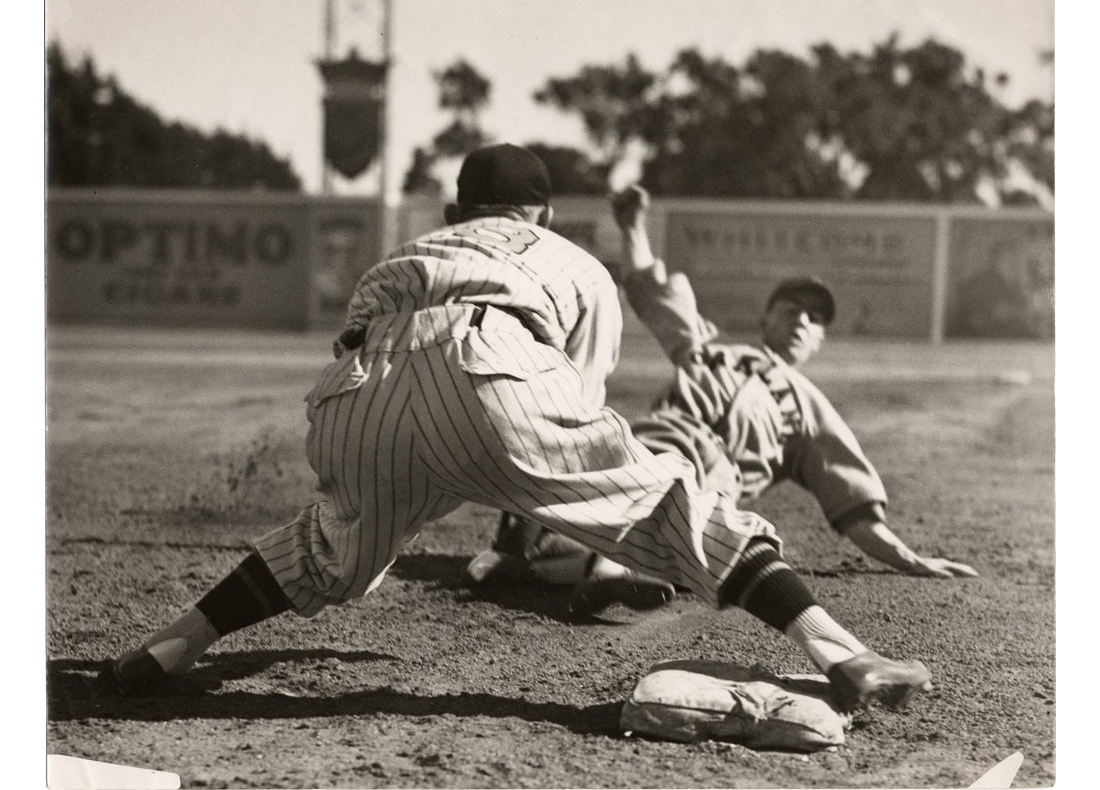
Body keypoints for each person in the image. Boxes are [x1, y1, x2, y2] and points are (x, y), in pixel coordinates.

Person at [105, 146, 932, 713]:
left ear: (458, 206)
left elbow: (354, 348)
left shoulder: (411, 247)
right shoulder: (569, 259)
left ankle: (171, 646)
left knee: (329, 542)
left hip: (355, 392)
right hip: (500, 364)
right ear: (542, 210)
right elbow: (574, 397)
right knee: (671, 507)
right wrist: (520, 492)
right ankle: (841, 656)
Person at [468, 185, 977, 614]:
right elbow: (653, 291)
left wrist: (908, 558)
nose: (802, 321)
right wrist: (631, 226)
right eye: (792, 309)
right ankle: (554, 557)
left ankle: (581, 565)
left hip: (711, 476)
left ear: (820, 341)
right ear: (766, 318)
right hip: (650, 439)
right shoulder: (709, 348)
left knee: (665, 522)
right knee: (571, 458)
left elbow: (854, 504)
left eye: (815, 319)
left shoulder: (809, 408)